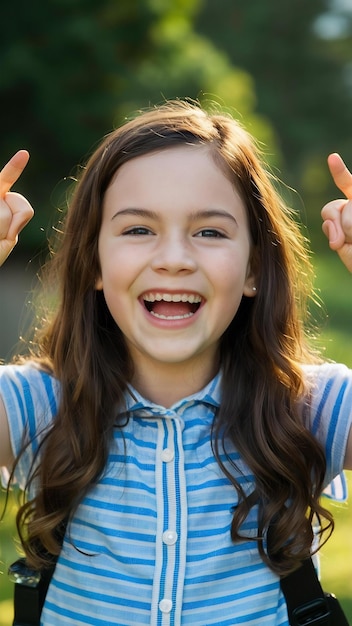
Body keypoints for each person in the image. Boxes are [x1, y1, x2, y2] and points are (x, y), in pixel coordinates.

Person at [0, 100, 351, 626]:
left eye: (209, 232)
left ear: (255, 268)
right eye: (138, 229)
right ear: (94, 263)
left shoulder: (309, 406)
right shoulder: (37, 405)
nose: (174, 257)